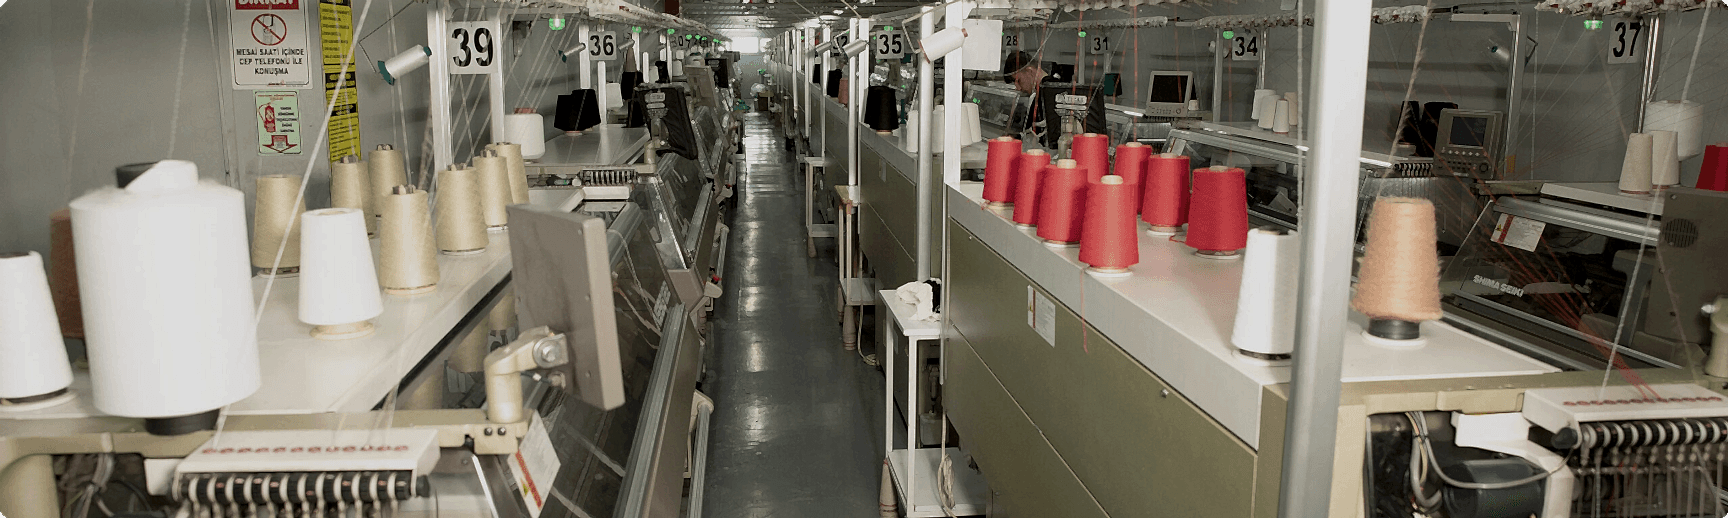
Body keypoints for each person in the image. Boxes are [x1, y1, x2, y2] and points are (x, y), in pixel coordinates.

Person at [1002, 51, 1057, 148]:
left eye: (1019, 81)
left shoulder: (1048, 93)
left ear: (1030, 71)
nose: (1018, 88)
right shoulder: (1041, 92)